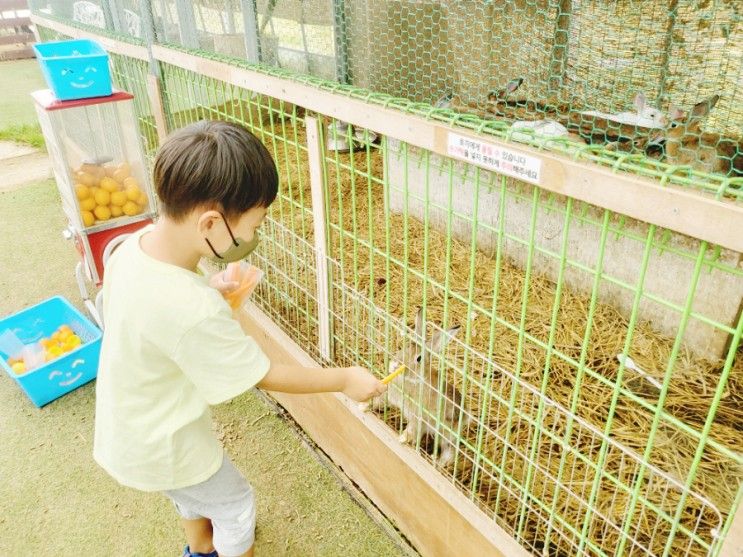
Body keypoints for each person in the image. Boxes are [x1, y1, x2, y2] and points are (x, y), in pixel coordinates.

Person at [93, 120, 387, 557]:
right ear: (211, 222)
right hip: (167, 445)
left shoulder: (129, 248)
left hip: (128, 429)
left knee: (188, 496)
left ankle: (199, 551)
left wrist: (209, 295)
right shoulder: (192, 309)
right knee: (233, 505)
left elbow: (154, 314)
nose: (252, 238)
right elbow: (262, 374)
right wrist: (343, 379)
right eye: (253, 225)